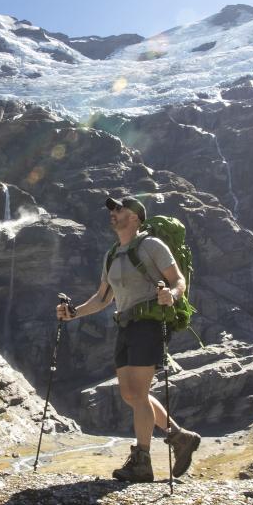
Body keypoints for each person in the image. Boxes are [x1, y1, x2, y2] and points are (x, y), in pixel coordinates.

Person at [55, 194, 202, 482]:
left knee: (137, 392)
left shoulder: (152, 246)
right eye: (111, 209)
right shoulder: (111, 254)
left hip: (148, 322)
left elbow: (178, 280)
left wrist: (170, 295)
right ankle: (179, 436)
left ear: (135, 217)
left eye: (119, 209)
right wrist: (74, 313)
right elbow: (102, 298)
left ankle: (142, 460)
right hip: (125, 325)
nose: (113, 212)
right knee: (131, 394)